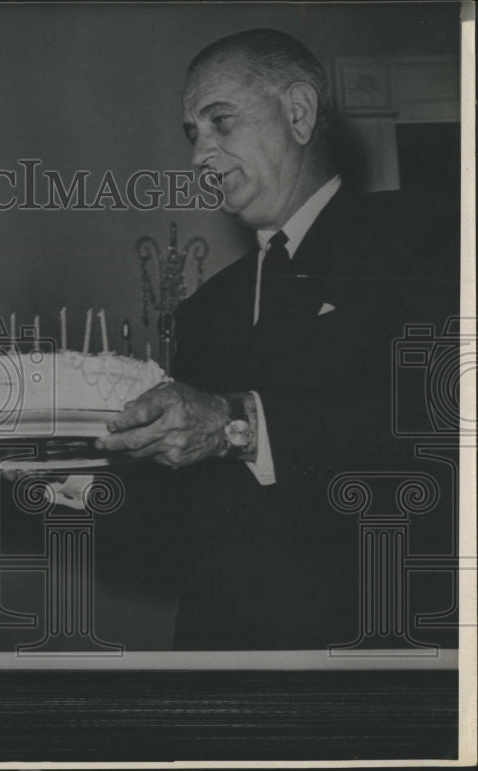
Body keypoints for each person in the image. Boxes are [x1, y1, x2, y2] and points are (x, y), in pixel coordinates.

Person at [97, 29, 456, 649]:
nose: (199, 156)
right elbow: (186, 521)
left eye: (220, 122)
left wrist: (241, 424)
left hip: (367, 658)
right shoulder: (206, 308)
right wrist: (74, 475)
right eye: (193, 134)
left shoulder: (423, 238)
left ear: (298, 111)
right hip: (221, 664)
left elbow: (443, 436)